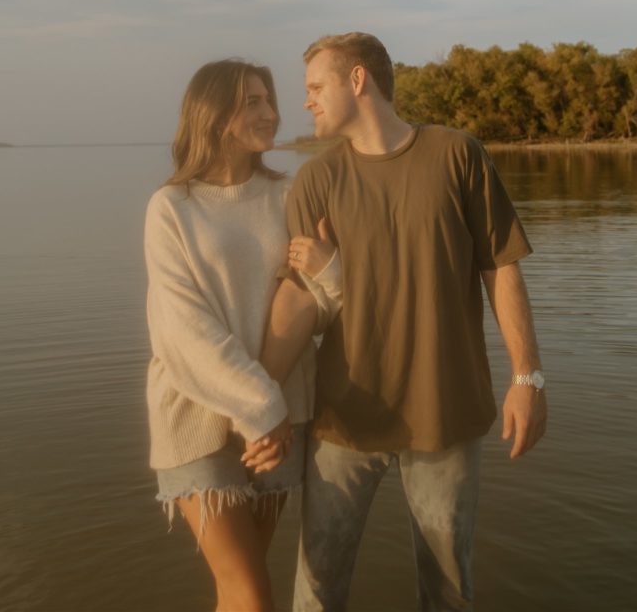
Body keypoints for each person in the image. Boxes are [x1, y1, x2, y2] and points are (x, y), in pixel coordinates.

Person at [280, 32, 547, 612]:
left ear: (358, 81)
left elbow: (500, 267)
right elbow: (304, 310)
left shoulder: (458, 154)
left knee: (449, 593)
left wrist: (527, 378)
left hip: (444, 419)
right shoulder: (315, 183)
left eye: (315, 87)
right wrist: (255, 405)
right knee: (316, 593)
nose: (306, 102)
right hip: (343, 422)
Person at [144, 59, 341, 612]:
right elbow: (182, 330)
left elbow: (319, 305)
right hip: (201, 417)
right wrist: (262, 407)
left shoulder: (290, 195)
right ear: (213, 114)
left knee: (240, 585)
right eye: (251, 101)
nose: (271, 113)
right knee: (250, 591)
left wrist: (331, 274)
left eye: (268, 99)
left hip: (279, 422)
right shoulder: (172, 208)